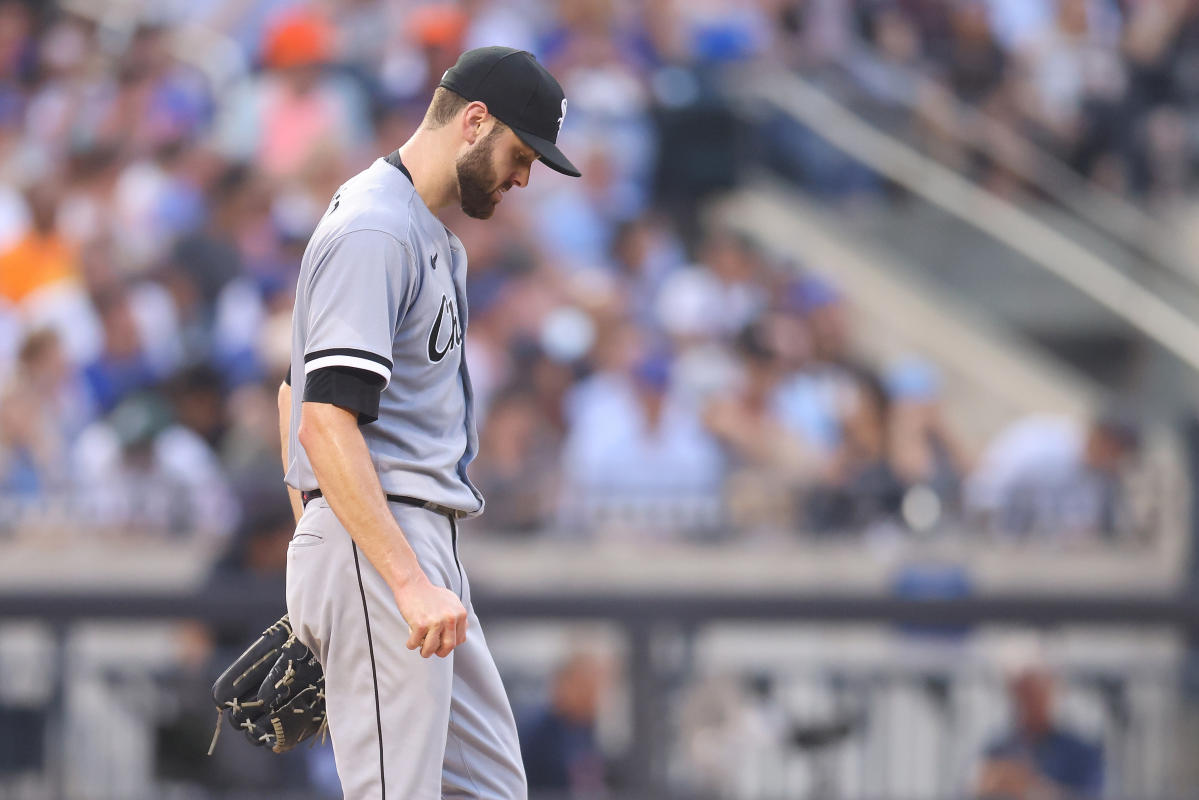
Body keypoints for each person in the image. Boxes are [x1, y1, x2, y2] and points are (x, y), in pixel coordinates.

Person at [280, 46, 580, 799]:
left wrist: (328, 536)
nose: (522, 177)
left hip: (397, 541)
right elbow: (321, 419)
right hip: (386, 546)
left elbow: (292, 391)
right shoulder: (378, 226)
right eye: (521, 152)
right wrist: (365, 563)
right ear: (473, 122)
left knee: (488, 791)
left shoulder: (417, 228)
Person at [976, 662, 1104, 799]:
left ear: (1052, 693)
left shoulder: (1082, 753)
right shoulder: (997, 749)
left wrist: (1031, 788)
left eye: (1036, 693)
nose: (1029, 703)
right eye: (1023, 694)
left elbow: (1092, 795)